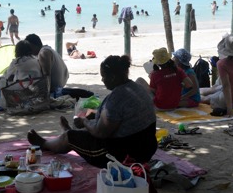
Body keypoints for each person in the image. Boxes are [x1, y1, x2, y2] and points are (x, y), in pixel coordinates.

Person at [28, 55, 157, 168]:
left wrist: (84, 122)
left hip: (122, 156)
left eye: (103, 76)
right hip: (146, 149)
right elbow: (121, 118)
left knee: (70, 138)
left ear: (112, 77)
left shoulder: (116, 98)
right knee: (89, 125)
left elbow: (100, 132)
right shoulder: (137, 88)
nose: (102, 80)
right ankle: (69, 133)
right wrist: (94, 118)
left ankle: (46, 143)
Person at [200, 34, 233, 117]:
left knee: (205, 98)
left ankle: (196, 93)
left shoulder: (222, 64)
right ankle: (199, 91)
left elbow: (226, 86)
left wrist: (230, 109)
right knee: (212, 90)